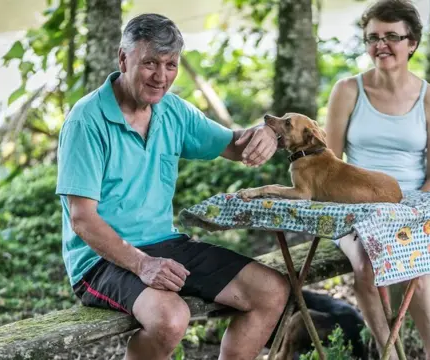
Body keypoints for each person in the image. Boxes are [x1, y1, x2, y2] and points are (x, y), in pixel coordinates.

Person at [55, 13, 290, 360]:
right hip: (100, 261)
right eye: (150, 62)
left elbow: (233, 144)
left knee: (271, 290)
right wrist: (142, 264)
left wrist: (270, 130)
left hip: (165, 243)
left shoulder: (173, 111)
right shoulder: (86, 120)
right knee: (171, 319)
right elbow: (82, 220)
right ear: (123, 58)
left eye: (170, 65)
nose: (161, 76)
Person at [323, 1, 430, 359]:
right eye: (373, 37)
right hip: (354, 207)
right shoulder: (347, 91)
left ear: (411, 43)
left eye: (392, 36)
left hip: (410, 205)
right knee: (365, 261)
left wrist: (408, 209)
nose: (381, 44)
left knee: (417, 265)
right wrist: (363, 207)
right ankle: (388, 352)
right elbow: (328, 164)